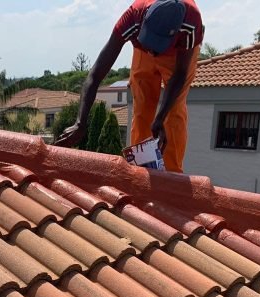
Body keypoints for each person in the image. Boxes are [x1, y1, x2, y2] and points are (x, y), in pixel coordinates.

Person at [56, 0, 203, 173]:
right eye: (151, 42)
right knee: (142, 106)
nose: (153, 53)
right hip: (141, 51)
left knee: (173, 112)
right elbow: (95, 75)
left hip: (178, 57)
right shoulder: (132, 19)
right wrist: (80, 123)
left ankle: (171, 175)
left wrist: (160, 117)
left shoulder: (191, 22)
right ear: (144, 24)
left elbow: (179, 75)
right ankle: (141, 168)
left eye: (158, 46)